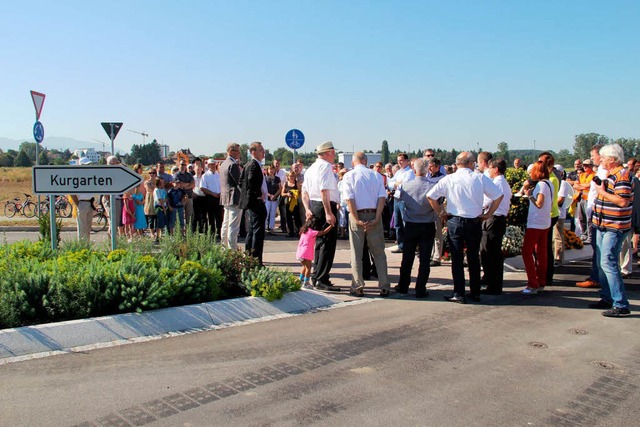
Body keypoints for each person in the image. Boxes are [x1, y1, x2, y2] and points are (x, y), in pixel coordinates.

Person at [427, 152, 503, 304]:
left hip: (455, 219)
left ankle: (459, 292)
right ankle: (475, 292)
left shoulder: (449, 178)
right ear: (470, 163)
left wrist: (441, 212)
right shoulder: (479, 177)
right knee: (473, 257)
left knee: (457, 258)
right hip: (474, 220)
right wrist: (488, 213)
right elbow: (498, 195)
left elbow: (431, 196)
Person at [589, 143, 632, 317]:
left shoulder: (622, 175)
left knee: (608, 262)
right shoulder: (612, 175)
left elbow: (623, 201)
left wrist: (601, 191)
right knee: (602, 262)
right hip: (604, 224)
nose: (601, 160)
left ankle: (620, 303)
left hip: (614, 226)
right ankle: (607, 297)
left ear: (612, 160)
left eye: (604, 157)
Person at [341, 152, 391, 297]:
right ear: (366, 161)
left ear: (353, 162)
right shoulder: (375, 175)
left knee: (356, 253)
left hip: (357, 213)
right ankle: (384, 285)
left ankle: (358, 286)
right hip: (374, 213)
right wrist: (377, 217)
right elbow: (382, 197)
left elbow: (349, 200)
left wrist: (356, 218)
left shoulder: (349, 176)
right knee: (379, 253)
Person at [394, 158, 437, 298]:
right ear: (427, 170)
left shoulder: (405, 186)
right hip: (427, 223)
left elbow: (398, 199)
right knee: (424, 259)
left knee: (407, 257)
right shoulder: (433, 185)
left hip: (411, 224)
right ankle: (420, 287)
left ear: (414, 170)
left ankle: (403, 285)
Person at [301, 141, 340, 291]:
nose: (334, 155)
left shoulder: (311, 168)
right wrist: (329, 212)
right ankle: (321, 278)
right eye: (333, 152)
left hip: (315, 205)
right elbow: (324, 190)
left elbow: (305, 192)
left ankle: (317, 275)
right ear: (327, 153)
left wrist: (307, 209)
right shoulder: (325, 166)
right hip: (324, 206)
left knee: (319, 243)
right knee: (327, 244)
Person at [520, 161, 553, 294]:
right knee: (541, 253)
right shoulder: (548, 183)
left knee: (527, 252)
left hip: (536, 223)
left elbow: (539, 203)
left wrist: (529, 196)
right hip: (545, 222)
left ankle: (532, 283)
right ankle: (540, 281)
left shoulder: (541, 185)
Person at [480, 158, 512, 295]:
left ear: (496, 169)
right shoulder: (502, 183)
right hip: (498, 219)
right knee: (491, 252)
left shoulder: (497, 183)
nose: (489, 171)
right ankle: (491, 281)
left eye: (491, 168)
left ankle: (493, 285)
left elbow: (487, 201)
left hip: (494, 219)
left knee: (490, 253)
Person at [239, 142, 268, 266]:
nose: (263, 152)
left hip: (251, 202)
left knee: (252, 230)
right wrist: (257, 194)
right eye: (261, 150)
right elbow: (249, 181)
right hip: (255, 202)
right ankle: (256, 260)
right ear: (253, 151)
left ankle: (249, 258)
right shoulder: (253, 165)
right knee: (257, 231)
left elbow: (241, 182)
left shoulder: (249, 164)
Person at [387, 153, 415, 253]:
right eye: (398, 160)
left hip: (404, 199)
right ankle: (401, 244)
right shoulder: (398, 172)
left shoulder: (410, 172)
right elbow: (390, 183)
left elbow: (404, 185)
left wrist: (396, 184)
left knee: (405, 222)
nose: (399, 162)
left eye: (401, 160)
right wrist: (396, 184)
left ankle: (409, 245)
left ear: (406, 161)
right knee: (397, 224)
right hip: (396, 199)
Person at [296, 216, 333, 289]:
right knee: (308, 268)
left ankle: (300, 280)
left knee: (304, 267)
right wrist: (331, 225)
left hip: (300, 252)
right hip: (306, 252)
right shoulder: (312, 232)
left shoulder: (303, 231)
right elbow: (323, 232)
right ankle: (306, 282)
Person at [219, 143, 243, 249]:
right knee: (233, 225)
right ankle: (232, 249)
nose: (239, 153)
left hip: (225, 197)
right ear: (230, 151)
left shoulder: (223, 164)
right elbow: (239, 182)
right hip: (234, 197)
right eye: (237, 151)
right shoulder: (233, 165)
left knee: (226, 223)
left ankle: (224, 247)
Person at [425, 157, 445, 266]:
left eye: (431, 166)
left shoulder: (442, 178)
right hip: (428, 206)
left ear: (438, 167)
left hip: (438, 206)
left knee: (437, 232)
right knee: (429, 232)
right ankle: (430, 254)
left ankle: (437, 257)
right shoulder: (427, 177)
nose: (429, 168)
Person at [554, 165, 574, 265]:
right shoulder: (555, 182)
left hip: (559, 214)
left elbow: (560, 199)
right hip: (554, 212)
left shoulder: (563, 184)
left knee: (558, 236)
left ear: (561, 173)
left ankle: (559, 257)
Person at [201, 159, 223, 237]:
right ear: (208, 165)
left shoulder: (219, 175)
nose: (212, 166)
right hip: (210, 197)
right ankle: (212, 233)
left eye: (213, 164)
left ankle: (220, 233)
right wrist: (212, 194)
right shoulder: (205, 176)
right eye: (211, 164)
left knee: (219, 216)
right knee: (210, 216)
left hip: (219, 197)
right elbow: (203, 188)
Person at [282, 171, 302, 237]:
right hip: (288, 202)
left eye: (293, 176)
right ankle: (290, 232)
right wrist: (287, 194)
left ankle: (298, 232)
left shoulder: (297, 183)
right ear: (288, 177)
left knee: (297, 218)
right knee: (288, 218)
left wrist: (295, 193)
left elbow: (300, 192)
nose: (292, 177)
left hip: (295, 203)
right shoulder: (286, 183)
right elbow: (282, 194)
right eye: (290, 176)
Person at [265, 165, 282, 234]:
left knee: (272, 214)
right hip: (267, 198)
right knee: (266, 213)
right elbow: (263, 188)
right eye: (270, 169)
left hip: (274, 198)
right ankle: (265, 228)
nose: (271, 171)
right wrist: (269, 195)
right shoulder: (265, 178)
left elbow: (280, 188)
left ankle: (271, 228)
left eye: (272, 169)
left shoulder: (277, 179)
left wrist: (275, 195)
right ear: (267, 170)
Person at [143, 169, 158, 241]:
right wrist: (156, 186)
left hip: (157, 200)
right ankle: (152, 233)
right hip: (150, 201)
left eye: (153, 173)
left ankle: (157, 233)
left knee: (157, 218)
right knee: (151, 218)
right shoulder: (147, 182)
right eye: (150, 173)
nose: (151, 174)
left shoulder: (158, 181)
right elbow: (150, 189)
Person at [153, 178, 168, 242]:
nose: (163, 184)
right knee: (159, 222)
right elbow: (159, 200)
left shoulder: (163, 190)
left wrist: (164, 201)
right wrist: (164, 209)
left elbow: (166, 199)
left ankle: (161, 235)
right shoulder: (156, 190)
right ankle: (157, 236)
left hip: (164, 206)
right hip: (159, 207)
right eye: (161, 183)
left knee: (163, 222)